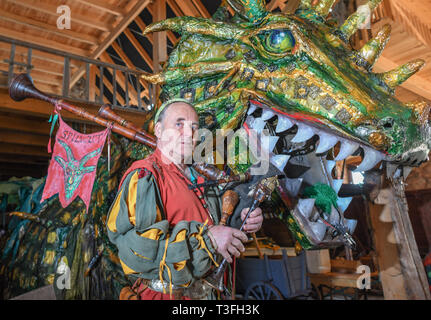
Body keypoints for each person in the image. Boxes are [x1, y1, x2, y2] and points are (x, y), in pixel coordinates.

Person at [106, 99, 263, 300]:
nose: (189, 134)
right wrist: (209, 241)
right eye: (178, 124)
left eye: (194, 127)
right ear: (159, 130)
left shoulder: (201, 176)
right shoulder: (145, 175)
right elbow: (138, 252)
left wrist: (244, 219)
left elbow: (217, 224)